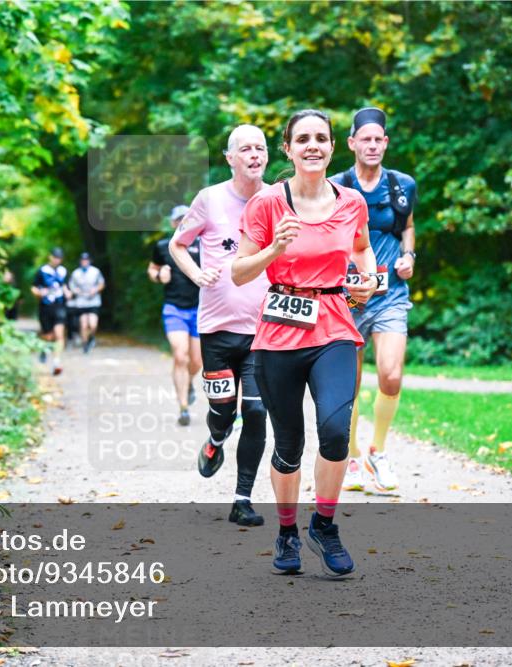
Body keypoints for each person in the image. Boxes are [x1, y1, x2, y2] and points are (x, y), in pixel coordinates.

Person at [232, 109, 379, 577]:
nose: (312, 145)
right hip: (279, 333)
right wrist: (274, 249)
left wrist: (368, 279)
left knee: (336, 430)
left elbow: (360, 248)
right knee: (289, 442)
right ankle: (287, 532)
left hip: (335, 324)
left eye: (321, 138)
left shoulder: (353, 201)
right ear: (288, 149)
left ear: (334, 146)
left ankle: (326, 525)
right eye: (303, 139)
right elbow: (239, 272)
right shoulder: (267, 204)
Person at [169, 124, 271, 527]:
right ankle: (215, 440)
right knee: (223, 411)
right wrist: (196, 275)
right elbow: (178, 244)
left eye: (260, 147)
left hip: (264, 328)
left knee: (258, 411)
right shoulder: (209, 199)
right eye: (245, 148)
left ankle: (242, 499)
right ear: (230, 158)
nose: (254, 154)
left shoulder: (277, 200)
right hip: (216, 328)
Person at [336, 107, 417, 494]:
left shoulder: (403, 186)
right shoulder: (336, 186)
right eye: (363, 139)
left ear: (385, 143)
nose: (371, 145)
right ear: (351, 143)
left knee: (392, 375)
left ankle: (377, 451)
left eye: (377, 139)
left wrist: (409, 256)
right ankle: (350, 459)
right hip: (347, 298)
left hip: (390, 296)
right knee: (347, 385)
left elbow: (409, 227)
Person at [148, 206, 201, 426]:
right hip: (174, 309)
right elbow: (151, 270)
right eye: (178, 219)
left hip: (200, 309)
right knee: (180, 355)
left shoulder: (204, 244)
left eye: (186, 219)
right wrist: (159, 275)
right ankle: (183, 408)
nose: (182, 222)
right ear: (172, 223)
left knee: (197, 362)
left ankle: (188, 383)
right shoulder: (163, 246)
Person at [31, 247, 69, 375]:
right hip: (46, 305)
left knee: (59, 334)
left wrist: (67, 292)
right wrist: (39, 293)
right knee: (48, 336)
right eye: (55, 257)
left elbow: (65, 285)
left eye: (59, 258)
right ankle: (44, 350)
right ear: (50, 257)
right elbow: (34, 287)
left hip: (59, 305)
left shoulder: (63, 271)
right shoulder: (42, 271)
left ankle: (57, 362)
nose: (57, 260)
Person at [68, 252, 105, 353]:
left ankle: (91, 337)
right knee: (83, 324)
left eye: (86, 260)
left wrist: (96, 289)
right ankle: (85, 343)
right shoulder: (76, 273)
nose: (84, 262)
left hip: (93, 301)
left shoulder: (95, 272)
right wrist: (76, 291)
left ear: (89, 261)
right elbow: (71, 285)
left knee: (92, 324)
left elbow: (102, 283)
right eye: (83, 260)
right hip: (81, 302)